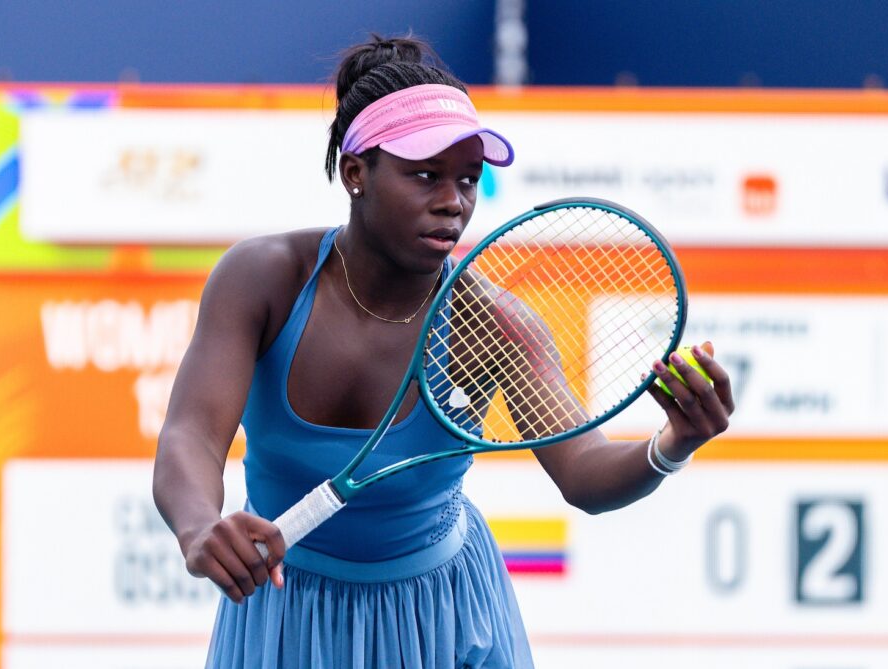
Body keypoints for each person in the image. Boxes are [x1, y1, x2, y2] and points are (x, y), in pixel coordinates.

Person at [152, 33, 734, 669]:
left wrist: (671, 446)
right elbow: (192, 437)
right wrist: (200, 526)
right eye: (425, 175)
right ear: (356, 174)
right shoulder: (262, 279)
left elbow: (585, 474)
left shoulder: (490, 323)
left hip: (442, 618)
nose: (453, 201)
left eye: (468, 179)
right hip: (289, 607)